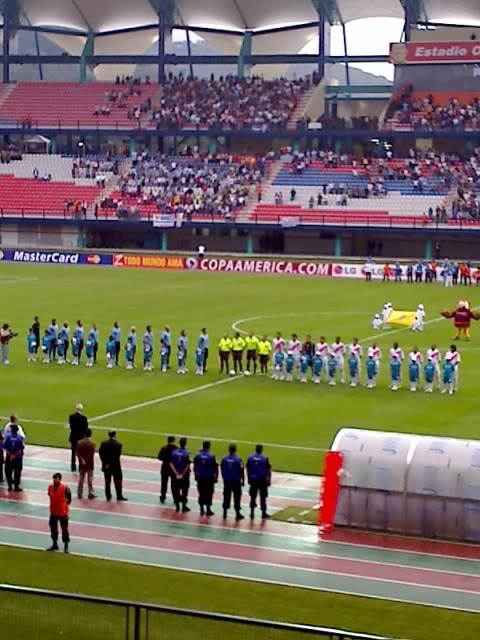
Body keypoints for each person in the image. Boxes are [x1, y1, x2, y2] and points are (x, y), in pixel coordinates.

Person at [47, 473, 72, 553]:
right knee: (53, 528)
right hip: (53, 511)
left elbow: (69, 499)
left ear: (60, 479)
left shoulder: (65, 488)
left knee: (64, 529)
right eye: (53, 478)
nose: (54, 480)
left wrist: (64, 506)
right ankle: (55, 544)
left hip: (62, 512)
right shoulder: (50, 487)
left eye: (56, 478)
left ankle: (66, 546)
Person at [99, 431, 127, 502]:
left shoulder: (103, 443)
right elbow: (117, 456)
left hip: (106, 466)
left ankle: (108, 496)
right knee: (118, 481)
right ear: (115, 435)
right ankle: (119, 495)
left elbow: (101, 454)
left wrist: (105, 463)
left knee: (107, 481)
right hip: (115, 466)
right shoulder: (118, 444)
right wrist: (110, 463)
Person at [246, 445, 272, 520]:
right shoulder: (265, 458)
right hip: (262, 480)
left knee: (253, 497)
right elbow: (268, 469)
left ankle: (252, 513)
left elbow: (247, 468)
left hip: (253, 479)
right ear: (261, 450)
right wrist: (269, 479)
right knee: (263, 497)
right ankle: (263, 513)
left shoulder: (250, 458)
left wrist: (248, 478)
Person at [193, 441, 218, 516]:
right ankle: (208, 509)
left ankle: (201, 509)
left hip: (200, 477)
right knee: (209, 493)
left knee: (201, 493)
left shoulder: (198, 455)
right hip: (209, 478)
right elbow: (215, 467)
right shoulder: (212, 455)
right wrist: (216, 476)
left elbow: (195, 466)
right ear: (209, 446)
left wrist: (196, 475)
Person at [220, 443, 245, 520]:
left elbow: (221, 468)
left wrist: (224, 477)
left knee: (226, 496)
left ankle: (224, 513)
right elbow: (242, 470)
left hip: (227, 481)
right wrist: (243, 480)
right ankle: (237, 513)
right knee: (237, 497)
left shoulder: (224, 459)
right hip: (236, 481)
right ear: (235, 450)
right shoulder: (238, 459)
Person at [170, 437, 191, 513]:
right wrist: (182, 474)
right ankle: (184, 506)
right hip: (184, 476)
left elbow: (171, 463)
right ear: (185, 444)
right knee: (184, 491)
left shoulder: (174, 452)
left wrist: (176, 473)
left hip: (175, 476)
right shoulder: (187, 453)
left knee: (176, 490)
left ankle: (177, 506)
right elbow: (187, 465)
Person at [4, 424, 24, 491]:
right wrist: (15, 455)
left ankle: (9, 486)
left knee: (8, 472)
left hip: (9, 458)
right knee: (17, 472)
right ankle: (16, 487)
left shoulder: (7, 437)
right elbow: (21, 449)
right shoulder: (20, 438)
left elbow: (5, 448)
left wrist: (11, 455)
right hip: (18, 458)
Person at [76, 428, 95, 499]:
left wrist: (82, 460)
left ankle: (79, 492)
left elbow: (77, 453)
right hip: (89, 464)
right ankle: (90, 492)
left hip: (81, 464)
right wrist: (86, 460)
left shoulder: (79, 442)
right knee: (90, 479)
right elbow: (91, 454)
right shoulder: (92, 443)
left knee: (81, 478)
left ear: (84, 434)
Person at [68, 403, 88, 472]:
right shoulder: (84, 418)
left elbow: (71, 427)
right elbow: (86, 429)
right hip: (80, 438)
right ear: (81, 409)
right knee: (81, 453)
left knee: (73, 453)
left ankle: (73, 467)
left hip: (73, 436)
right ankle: (80, 467)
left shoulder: (71, 417)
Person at [158, 436, 177, 503]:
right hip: (173, 469)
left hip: (165, 467)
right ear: (174, 441)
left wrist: (165, 459)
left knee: (164, 484)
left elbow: (159, 457)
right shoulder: (176, 449)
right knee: (174, 484)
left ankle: (163, 497)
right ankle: (175, 498)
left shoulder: (164, 448)